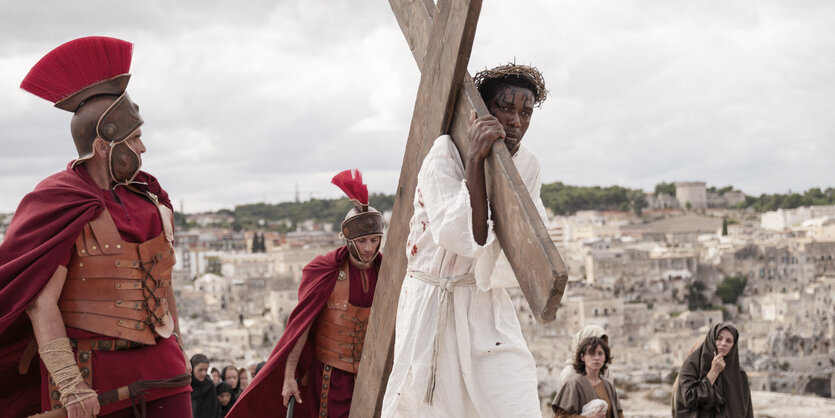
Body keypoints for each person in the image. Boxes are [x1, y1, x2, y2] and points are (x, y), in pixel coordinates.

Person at [0, 36, 190, 418]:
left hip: (166, 375)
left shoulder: (149, 201)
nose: (143, 149)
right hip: (92, 382)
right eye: (135, 138)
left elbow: (162, 284)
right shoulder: (60, 202)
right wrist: (71, 387)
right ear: (105, 145)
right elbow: (40, 303)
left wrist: (181, 352)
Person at [381, 63, 549, 417]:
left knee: (516, 400)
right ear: (482, 111)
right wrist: (475, 159)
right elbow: (463, 236)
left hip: (484, 304)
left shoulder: (529, 164)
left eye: (525, 112)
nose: (516, 121)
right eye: (505, 108)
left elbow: (526, 243)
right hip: (433, 302)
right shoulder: (444, 154)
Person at [228, 169, 384, 417]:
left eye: (374, 240)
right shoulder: (325, 270)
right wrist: (289, 375)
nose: (368, 248)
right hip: (330, 379)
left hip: (372, 374)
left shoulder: (386, 272)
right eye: (363, 241)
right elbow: (301, 326)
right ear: (348, 239)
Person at [674, 322, 753, 417]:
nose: (723, 343)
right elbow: (689, 399)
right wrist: (713, 372)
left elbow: (747, 411)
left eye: (729, 341)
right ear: (711, 339)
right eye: (719, 339)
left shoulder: (739, 374)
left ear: (734, 345)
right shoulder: (692, 365)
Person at [551, 337, 623, 418]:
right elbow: (560, 416)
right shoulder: (574, 384)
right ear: (582, 357)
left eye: (600, 353)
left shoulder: (609, 386)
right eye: (592, 353)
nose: (597, 358)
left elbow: (618, 413)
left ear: (605, 357)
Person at [558, 325, 609, 393]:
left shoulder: (605, 371)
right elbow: (565, 402)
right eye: (592, 352)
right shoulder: (570, 373)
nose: (597, 357)